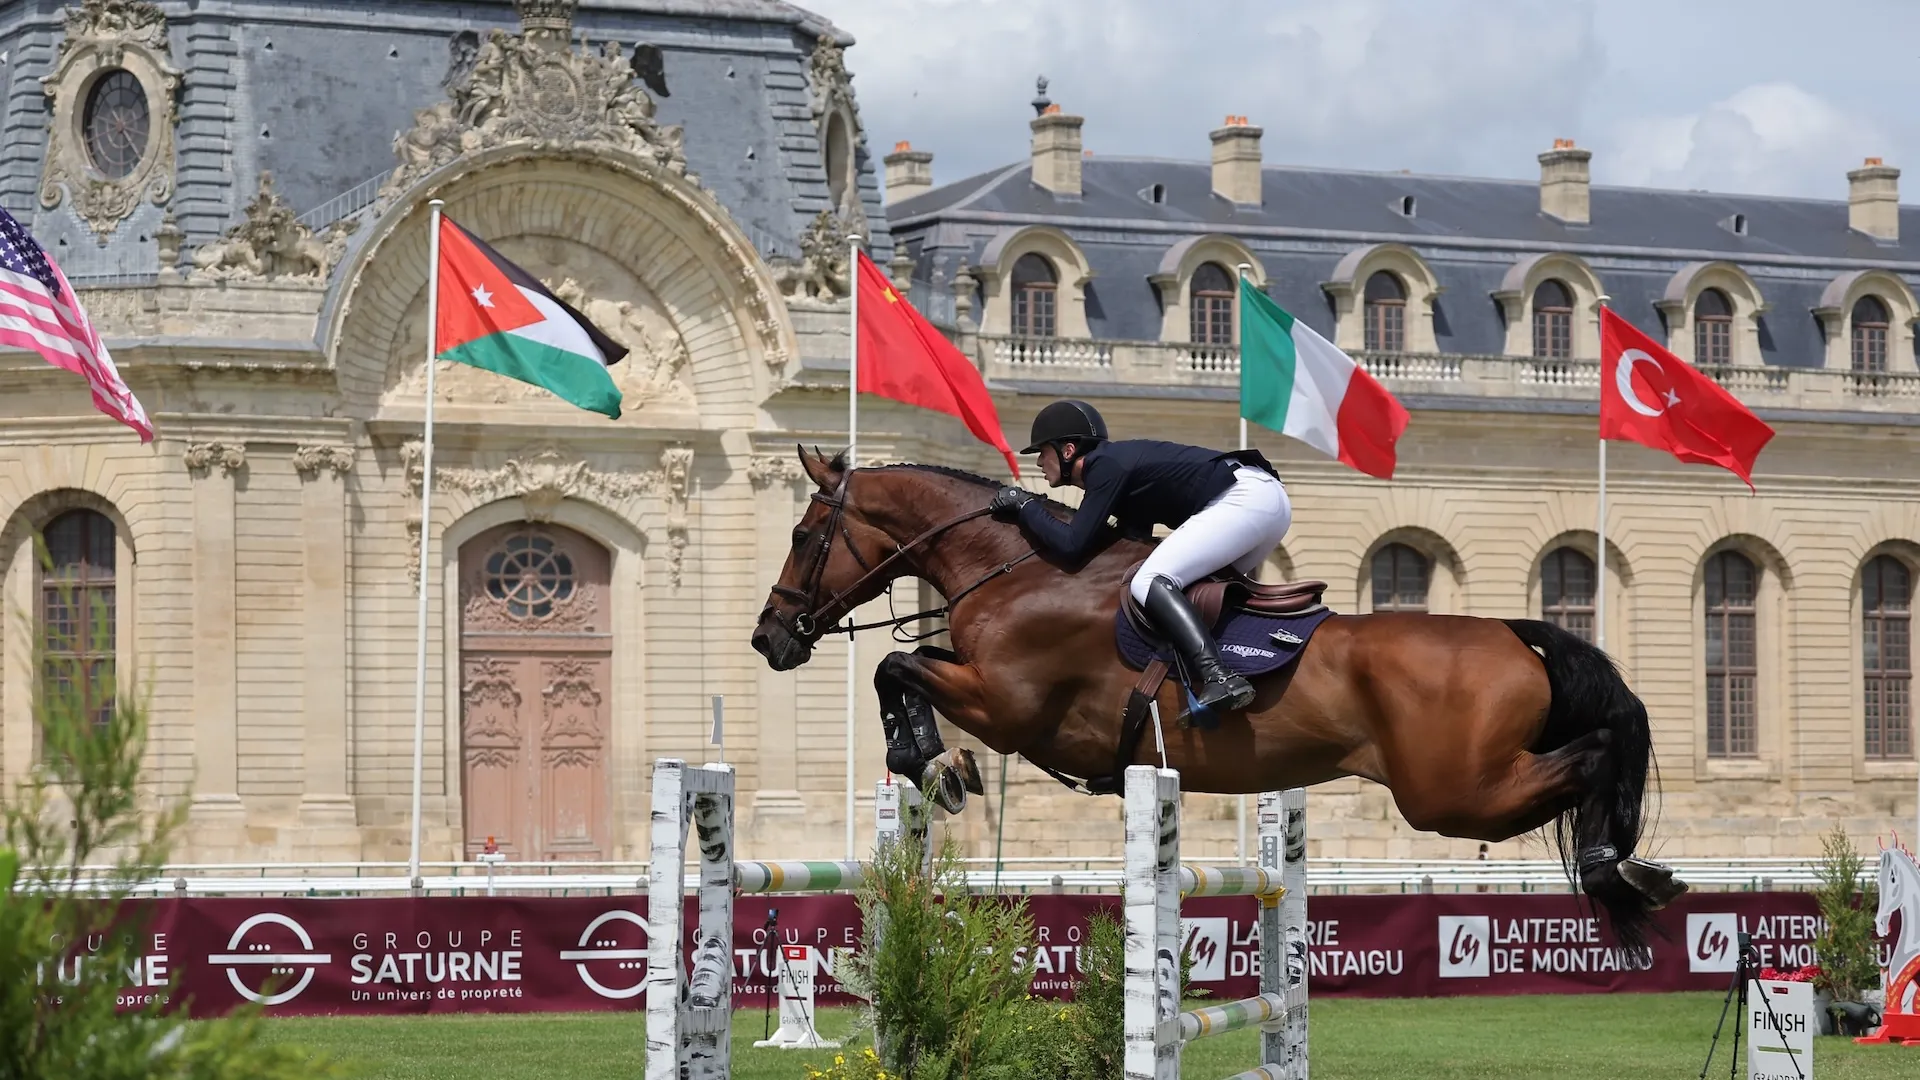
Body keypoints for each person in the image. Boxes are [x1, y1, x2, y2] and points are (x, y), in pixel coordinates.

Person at [987, 399, 1293, 712]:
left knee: (1149, 580)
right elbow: (1129, 546)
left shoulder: (1104, 465)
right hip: (1269, 503)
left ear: (1067, 451)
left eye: (1042, 452)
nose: (1039, 462)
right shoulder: (1116, 470)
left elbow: (1071, 544)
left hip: (1245, 498)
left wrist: (1025, 505)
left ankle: (1219, 676)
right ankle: (1235, 665)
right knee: (1192, 591)